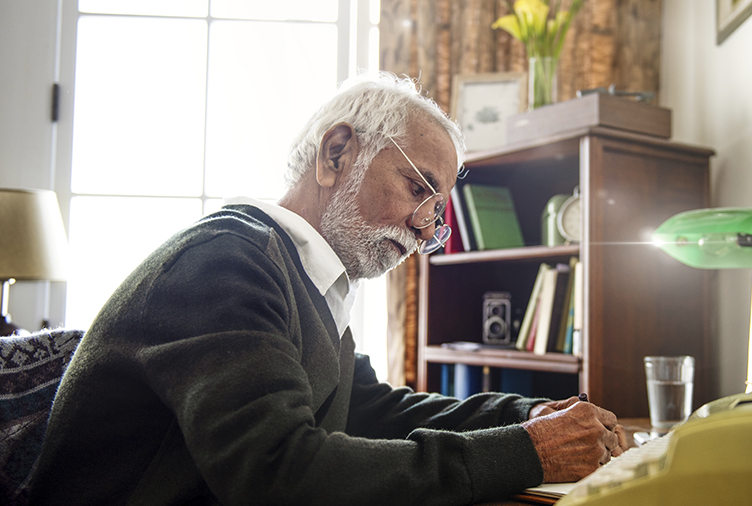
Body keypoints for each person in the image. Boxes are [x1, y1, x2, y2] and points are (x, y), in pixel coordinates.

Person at [30, 72, 626, 506]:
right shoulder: (224, 263)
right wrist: (527, 451)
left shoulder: (307, 280)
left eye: (437, 212)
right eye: (418, 188)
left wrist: (528, 415)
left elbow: (372, 409)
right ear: (336, 153)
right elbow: (277, 474)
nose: (427, 228)